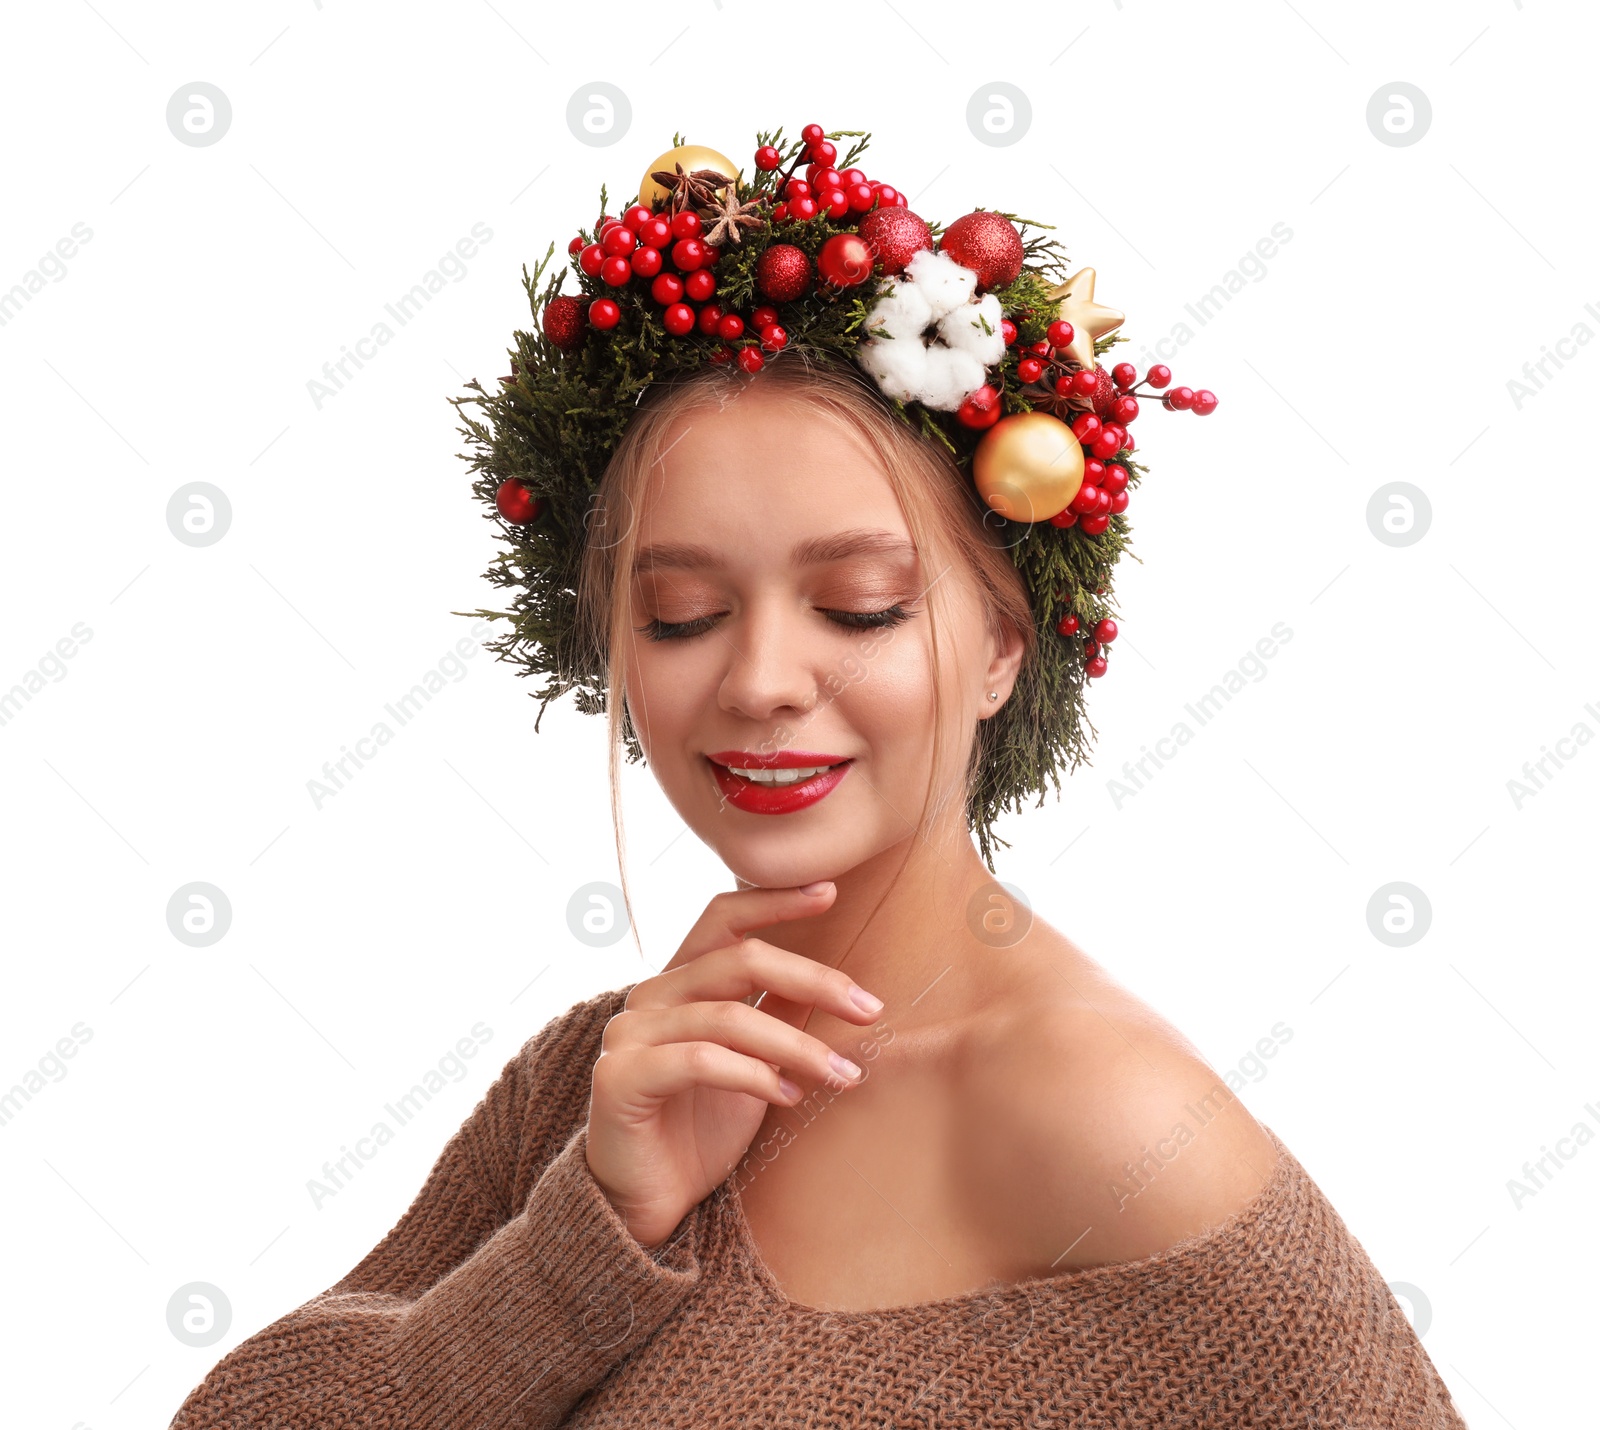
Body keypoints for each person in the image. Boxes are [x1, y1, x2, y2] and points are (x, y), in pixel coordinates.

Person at [168, 126, 1472, 1428]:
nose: (762, 680)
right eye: (680, 613)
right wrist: (589, 1233)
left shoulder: (1099, 1114)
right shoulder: (602, 1080)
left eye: (859, 607)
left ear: (1005, 649)